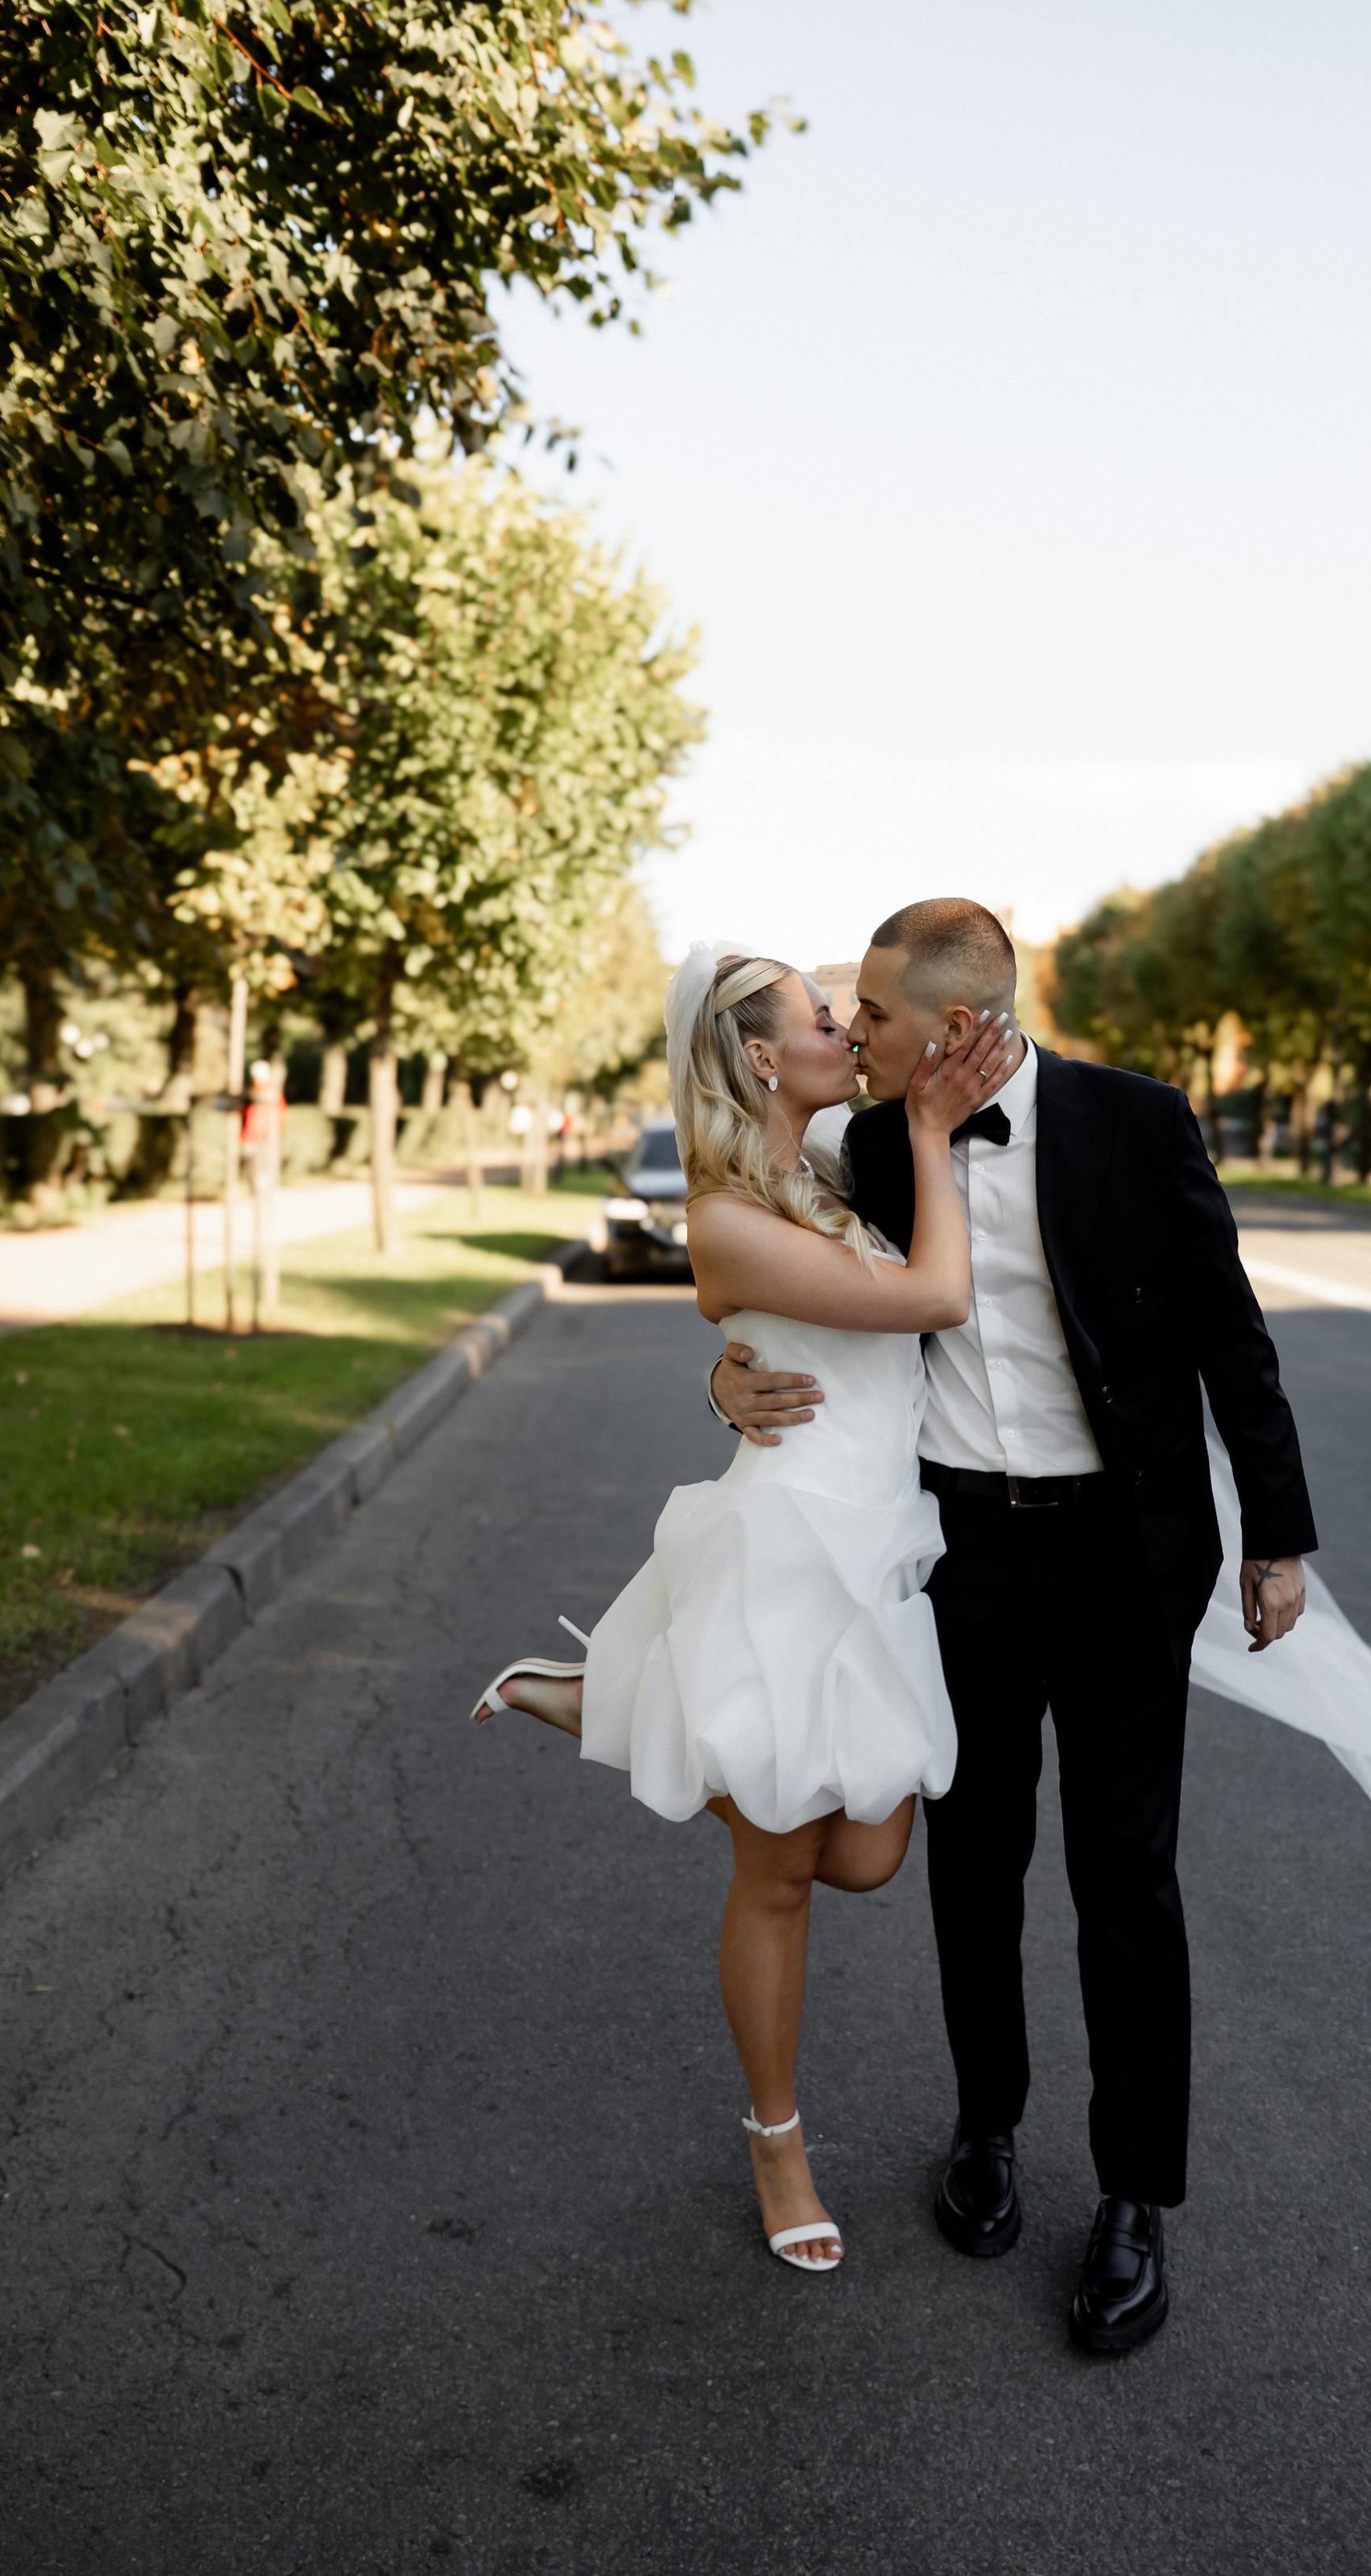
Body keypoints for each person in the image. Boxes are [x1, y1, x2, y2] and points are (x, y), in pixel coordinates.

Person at [711, 898, 1321, 2355]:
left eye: (875, 1014)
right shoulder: (865, 1147)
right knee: (974, 1865)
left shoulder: (1138, 1121)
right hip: (959, 1553)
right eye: (848, 1012)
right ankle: (985, 2126)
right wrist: (724, 1383)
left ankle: (1134, 2198)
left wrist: (1277, 1532)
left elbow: (1229, 1332)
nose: (855, 1031)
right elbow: (777, 1296)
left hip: (1124, 1553)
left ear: (959, 1026)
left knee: (1128, 1878)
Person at [472, 947, 1011, 2278]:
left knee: (868, 1855)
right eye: (824, 1020)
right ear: (764, 1057)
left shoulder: (825, 1170)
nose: (847, 1030)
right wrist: (930, 1130)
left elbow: (825, 1334)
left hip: (878, 1551)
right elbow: (933, 1297)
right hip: (785, 1552)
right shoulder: (721, 1218)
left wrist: (726, 1375)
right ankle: (778, 2142)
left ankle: (613, 1699)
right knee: (777, 1875)